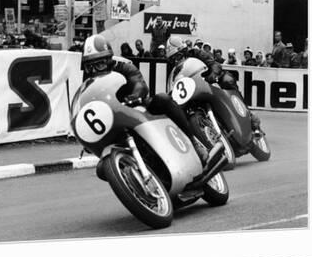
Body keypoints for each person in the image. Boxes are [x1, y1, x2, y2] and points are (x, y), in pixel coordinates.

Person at [81, 34, 221, 168]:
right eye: (89, 66)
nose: (94, 70)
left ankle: (194, 143)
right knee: (102, 168)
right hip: (113, 122)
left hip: (136, 108)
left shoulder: (123, 67)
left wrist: (135, 96)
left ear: (108, 60)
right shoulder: (89, 83)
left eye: (98, 64)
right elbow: (87, 105)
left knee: (163, 99)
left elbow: (138, 82)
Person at [166, 36, 262, 135]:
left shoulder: (196, 53)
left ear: (184, 50)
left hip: (207, 82)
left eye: (177, 56)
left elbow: (213, 63)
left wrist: (213, 73)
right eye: (172, 59)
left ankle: (249, 115)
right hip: (191, 94)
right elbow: (173, 88)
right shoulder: (174, 72)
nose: (176, 61)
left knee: (227, 79)